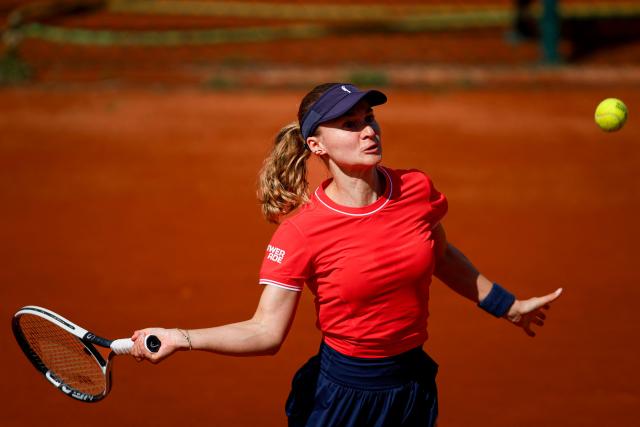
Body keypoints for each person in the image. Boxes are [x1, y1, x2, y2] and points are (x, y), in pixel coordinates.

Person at [131, 82, 563, 427]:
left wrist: (507, 306)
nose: (369, 130)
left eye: (369, 117)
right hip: (343, 398)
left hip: (412, 386)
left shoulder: (414, 189)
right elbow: (265, 331)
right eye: (350, 124)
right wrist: (181, 337)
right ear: (317, 145)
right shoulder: (302, 232)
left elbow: (443, 256)